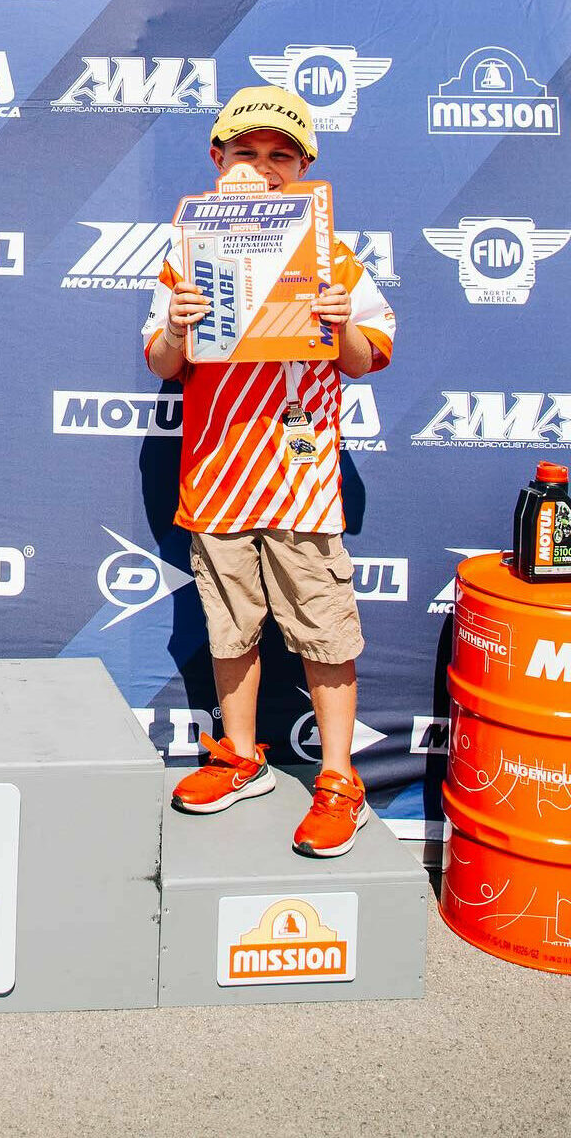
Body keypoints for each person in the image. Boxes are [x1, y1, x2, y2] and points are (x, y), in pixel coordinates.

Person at [142, 85, 396, 855]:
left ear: (305, 166)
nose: (262, 168)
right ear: (217, 162)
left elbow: (366, 360)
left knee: (324, 632)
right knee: (231, 627)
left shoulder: (335, 258)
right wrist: (179, 330)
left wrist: (340, 319)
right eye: (245, 153)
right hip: (218, 475)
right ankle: (243, 755)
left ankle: (339, 778)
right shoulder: (184, 253)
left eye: (279, 155)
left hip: (303, 476)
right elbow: (160, 359)